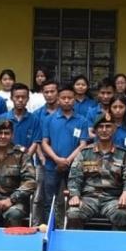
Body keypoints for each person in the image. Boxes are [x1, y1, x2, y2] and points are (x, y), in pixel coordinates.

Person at [67, 115, 126, 230]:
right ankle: (76, 247)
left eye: (108, 126)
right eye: (101, 127)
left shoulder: (123, 154)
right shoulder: (84, 153)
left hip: (113, 199)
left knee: (123, 214)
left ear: (114, 129)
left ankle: (118, 247)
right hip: (89, 198)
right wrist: (74, 195)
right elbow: (75, 177)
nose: (104, 130)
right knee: (74, 213)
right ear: (95, 130)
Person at [39, 86, 88, 223]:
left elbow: (83, 144)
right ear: (58, 100)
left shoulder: (82, 120)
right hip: (51, 166)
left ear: (74, 100)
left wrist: (68, 160)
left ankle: (73, 228)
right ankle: (50, 226)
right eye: (63, 98)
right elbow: (44, 142)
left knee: (75, 199)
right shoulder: (49, 119)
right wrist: (57, 159)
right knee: (49, 200)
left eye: (70, 98)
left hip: (74, 167)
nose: (67, 101)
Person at [0, 82, 39, 152]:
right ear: (11, 98)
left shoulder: (34, 119)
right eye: (17, 97)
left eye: (23, 97)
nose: (20, 100)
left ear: (28, 99)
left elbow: (35, 142)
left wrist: (26, 158)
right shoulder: (2, 118)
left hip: (27, 160)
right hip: (6, 159)